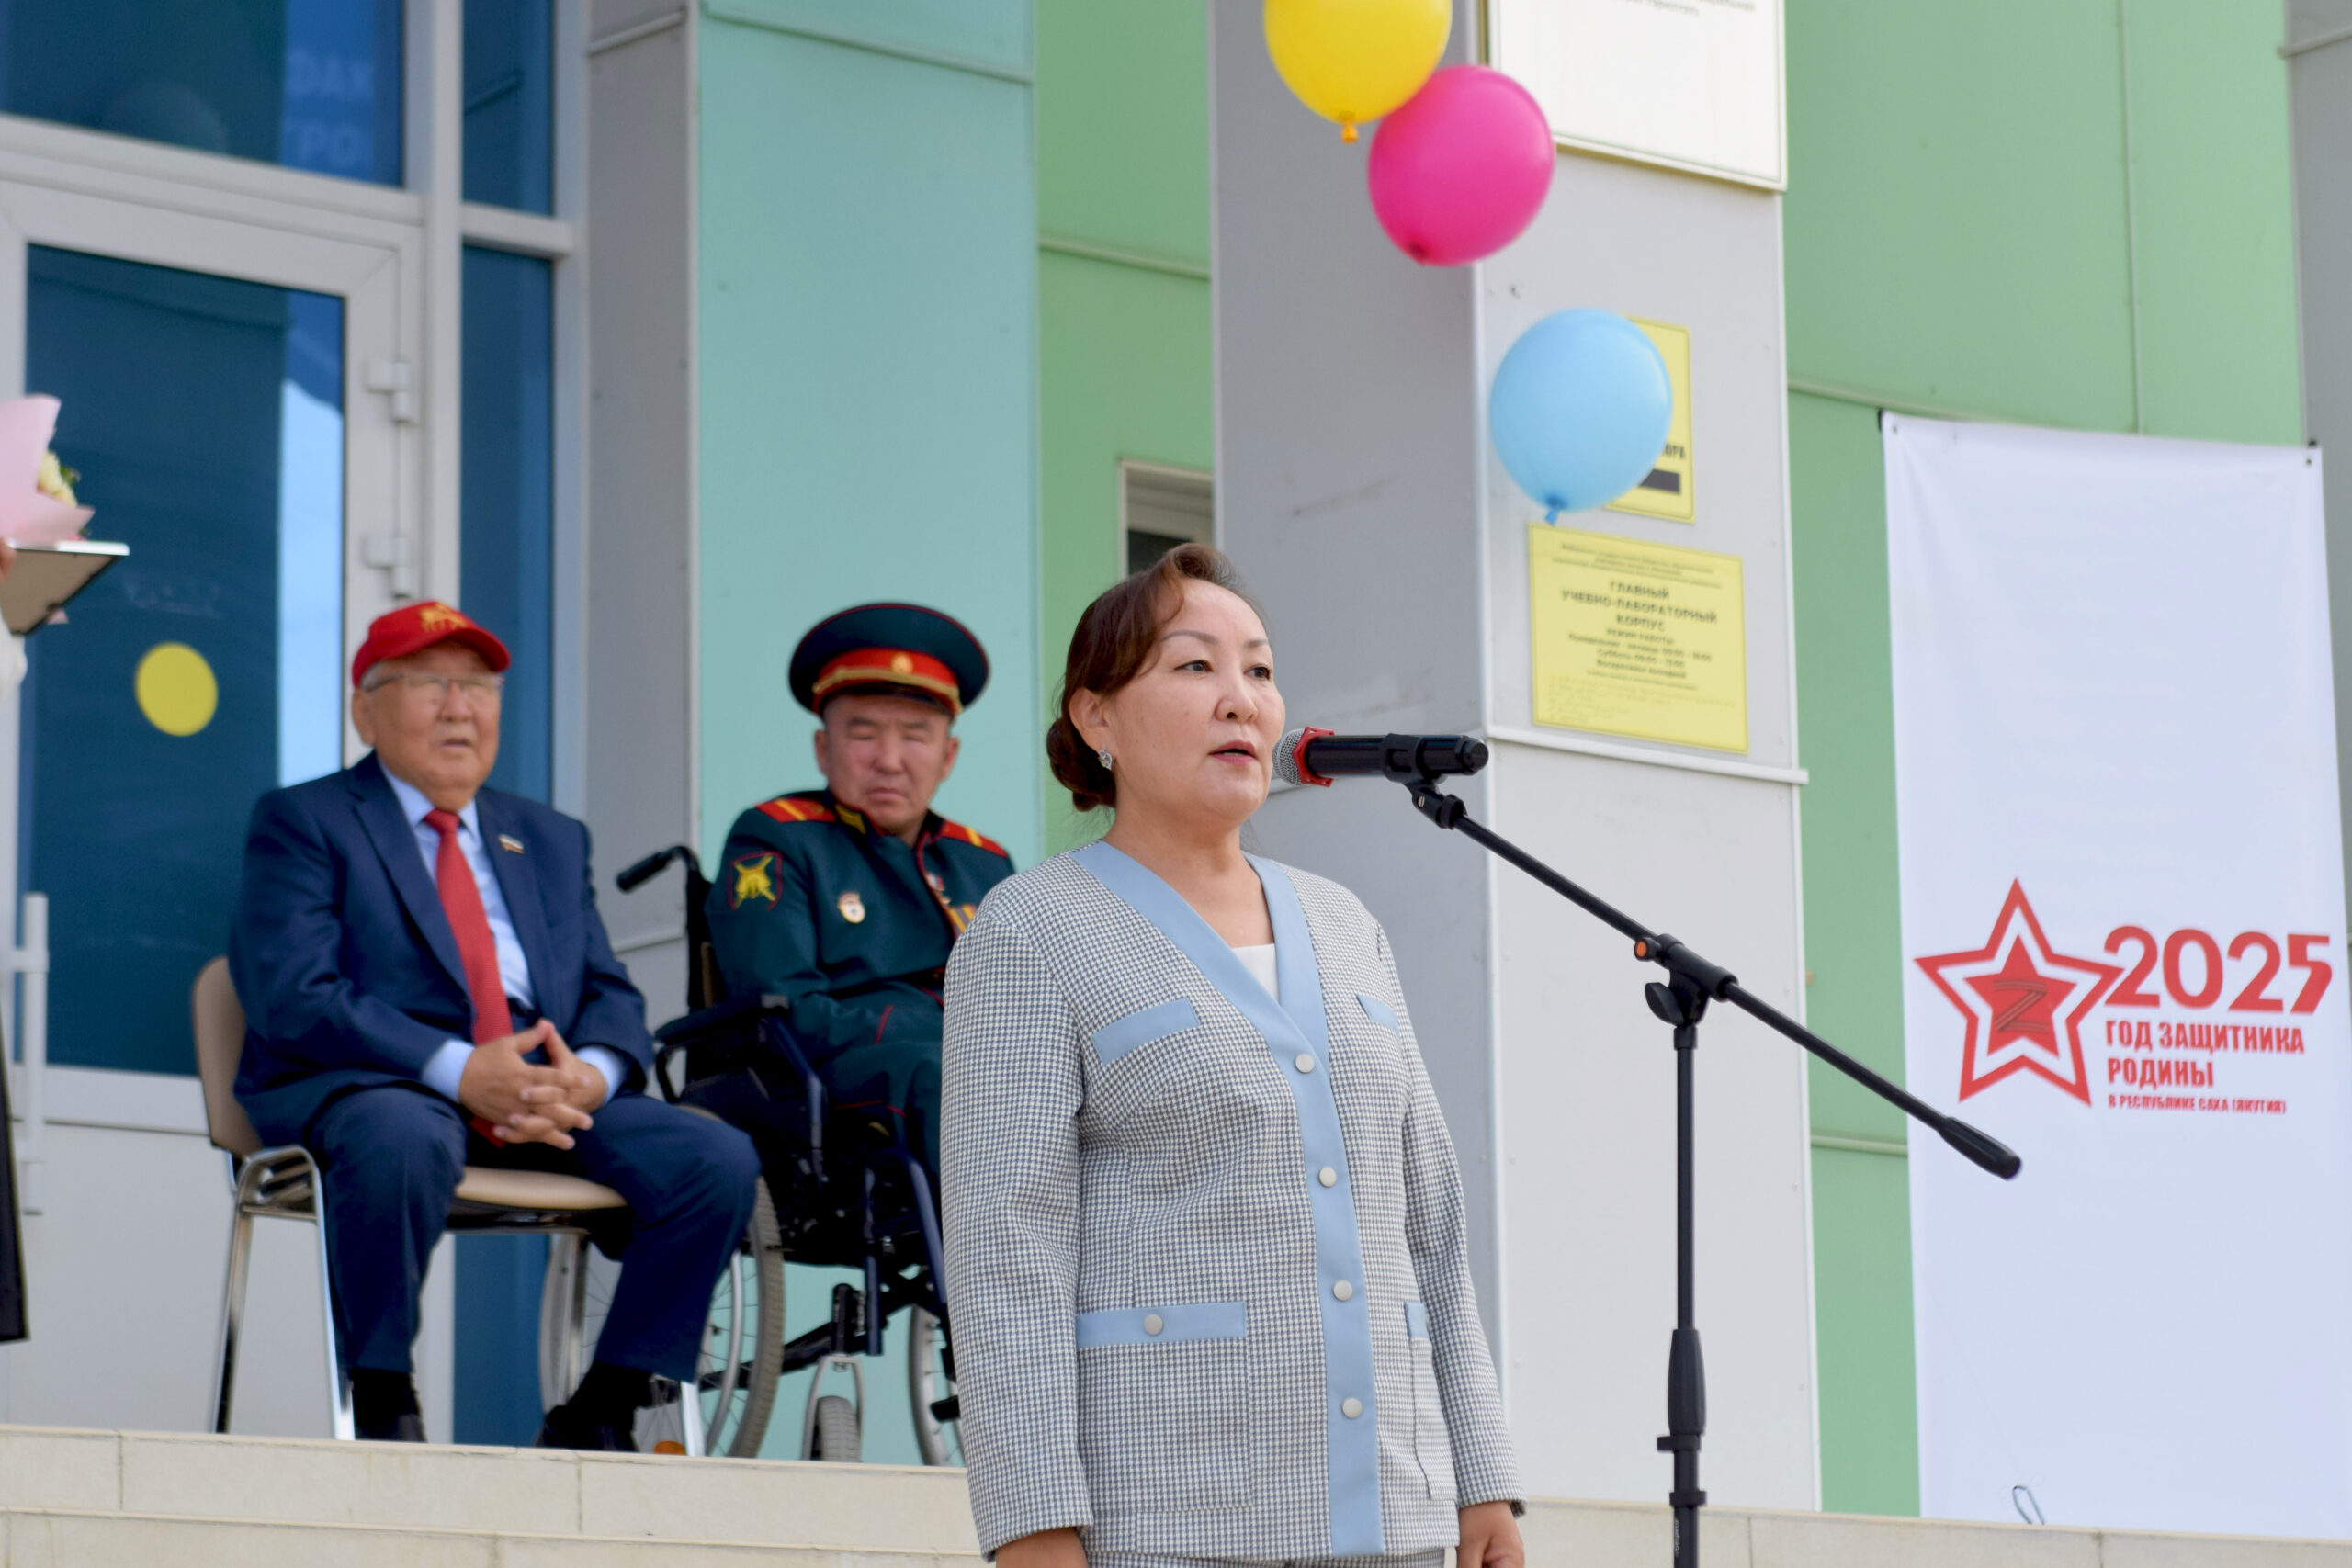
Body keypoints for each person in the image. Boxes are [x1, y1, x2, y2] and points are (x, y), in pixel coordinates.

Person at [942, 545, 1525, 1568]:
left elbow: (1430, 1224)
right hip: (1171, 1519)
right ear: (1096, 718)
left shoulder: (1346, 925)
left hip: (1396, 1515)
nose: (1240, 699)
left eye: (1259, 669)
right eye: (1194, 665)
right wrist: (1032, 1522)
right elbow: (1005, 1249)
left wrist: (1482, 1480)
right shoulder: (1032, 930)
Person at [230, 600, 761, 1448]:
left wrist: (589, 1074)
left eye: (479, 687)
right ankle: (381, 1395)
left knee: (716, 1158)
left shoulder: (546, 836)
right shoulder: (307, 820)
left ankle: (604, 1408)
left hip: (541, 1095)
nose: (460, 708)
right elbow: (295, 993)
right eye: (429, 684)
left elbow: (608, 991)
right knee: (401, 1133)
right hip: (385, 1083)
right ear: (365, 708)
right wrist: (458, 1068)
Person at [704, 602, 1013, 1182]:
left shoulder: (982, 861)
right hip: (835, 1074)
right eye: (864, 734)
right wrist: (953, 1032)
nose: (889, 761)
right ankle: (1005, 1245)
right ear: (824, 749)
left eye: (916, 736)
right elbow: (787, 1009)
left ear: (948, 756)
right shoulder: (777, 837)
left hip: (969, 1057)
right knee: (951, 1076)